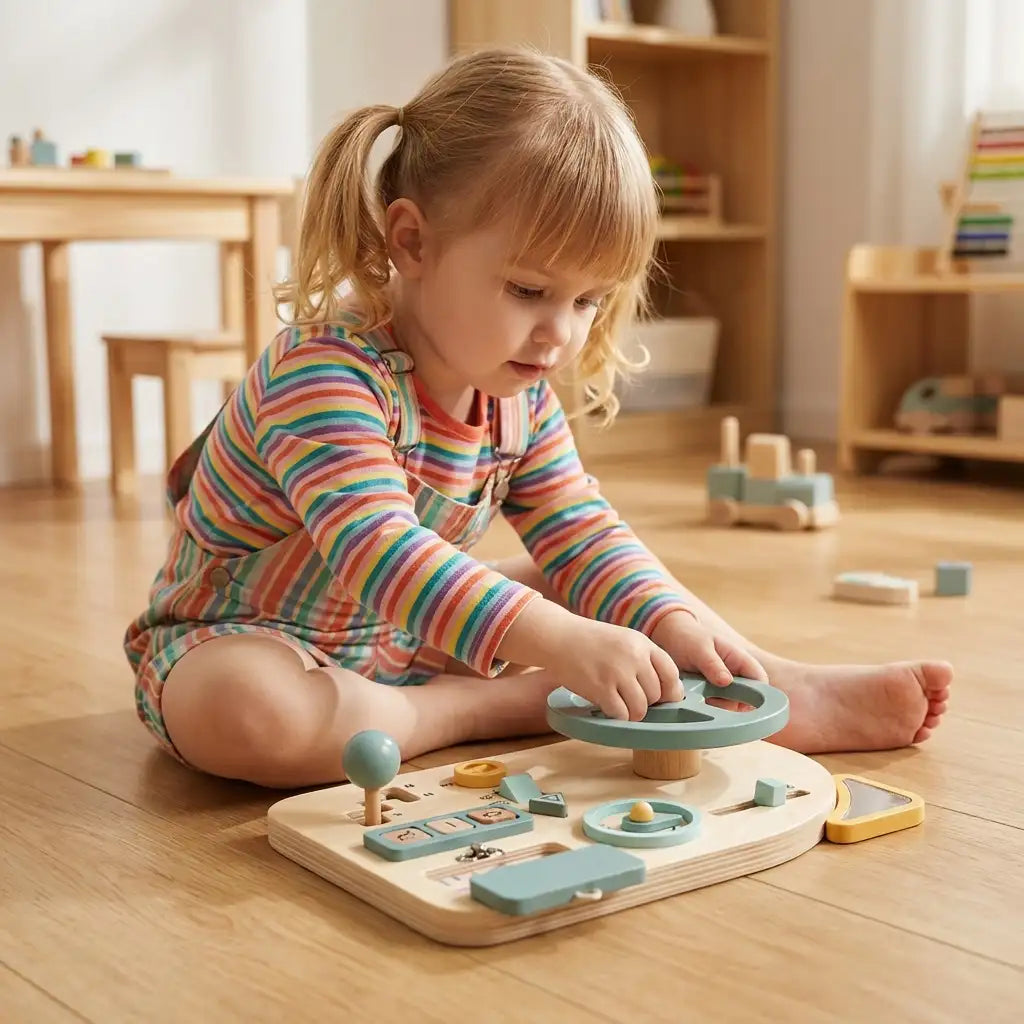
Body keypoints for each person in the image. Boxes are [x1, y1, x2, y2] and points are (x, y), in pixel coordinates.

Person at [123, 47, 951, 789]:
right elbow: (383, 556)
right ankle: (481, 709)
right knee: (249, 713)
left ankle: (764, 682)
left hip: (395, 644)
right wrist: (558, 646)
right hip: (241, 641)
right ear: (410, 241)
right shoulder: (324, 373)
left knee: (590, 578)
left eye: (589, 300)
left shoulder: (517, 393)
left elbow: (584, 536)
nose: (562, 332)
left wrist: (669, 626)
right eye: (529, 290)